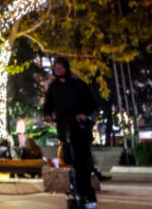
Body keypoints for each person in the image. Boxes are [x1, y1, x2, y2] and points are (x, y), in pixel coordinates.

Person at [42, 56, 99, 206]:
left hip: (79, 127)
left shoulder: (78, 84)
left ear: (66, 68)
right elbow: (49, 103)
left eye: (60, 67)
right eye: (56, 68)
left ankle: (87, 193)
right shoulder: (54, 87)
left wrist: (83, 114)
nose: (58, 70)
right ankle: (72, 190)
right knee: (67, 159)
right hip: (64, 127)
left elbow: (91, 103)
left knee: (81, 161)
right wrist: (47, 114)